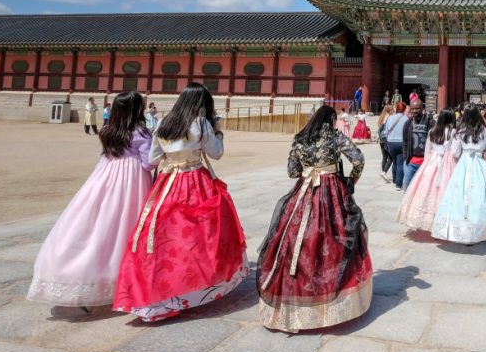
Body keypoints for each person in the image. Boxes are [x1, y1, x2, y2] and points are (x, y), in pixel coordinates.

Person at [112, 83, 247, 322]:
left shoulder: (164, 123)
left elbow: (153, 159)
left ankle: (158, 291)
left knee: (164, 236)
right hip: (195, 180)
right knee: (199, 235)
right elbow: (216, 153)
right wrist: (218, 131)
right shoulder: (201, 123)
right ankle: (196, 285)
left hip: (168, 183)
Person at [28, 92, 156, 313]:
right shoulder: (141, 131)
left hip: (104, 176)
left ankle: (77, 276)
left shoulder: (108, 130)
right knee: (124, 226)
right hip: (131, 182)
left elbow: (106, 154)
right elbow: (148, 162)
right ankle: (119, 281)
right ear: (137, 110)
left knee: (96, 222)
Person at [256, 105, 371, 332]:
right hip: (332, 190)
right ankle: (333, 299)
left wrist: (308, 169)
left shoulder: (300, 139)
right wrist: (350, 181)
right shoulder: (335, 136)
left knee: (295, 239)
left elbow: (291, 170)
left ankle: (292, 300)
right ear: (330, 120)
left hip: (305, 190)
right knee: (335, 238)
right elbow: (358, 159)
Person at [431, 104, 486, 243]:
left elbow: (455, 152)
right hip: (479, 164)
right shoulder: (484, 131)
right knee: (481, 196)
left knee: (461, 196)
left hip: (464, 164)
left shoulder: (460, 131)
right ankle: (480, 229)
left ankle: (461, 228)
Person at [396, 109, 457, 231]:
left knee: (428, 191)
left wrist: (425, 166)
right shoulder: (453, 132)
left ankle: (429, 220)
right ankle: (445, 222)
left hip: (432, 162)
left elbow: (427, 150)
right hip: (448, 162)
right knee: (447, 191)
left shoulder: (432, 131)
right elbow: (455, 151)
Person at [401, 99, 433, 191]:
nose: (414, 111)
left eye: (417, 108)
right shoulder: (408, 123)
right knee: (407, 185)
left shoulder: (429, 122)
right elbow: (405, 142)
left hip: (425, 161)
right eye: (413, 109)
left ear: (422, 108)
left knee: (423, 188)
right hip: (411, 161)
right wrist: (405, 157)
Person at [382, 102, 408, 189]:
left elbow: (385, 130)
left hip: (391, 142)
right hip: (401, 142)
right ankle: (398, 184)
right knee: (400, 163)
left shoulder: (390, 118)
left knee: (394, 162)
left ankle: (394, 180)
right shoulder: (406, 119)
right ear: (404, 109)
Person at [377, 104, 394, 178]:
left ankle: (383, 172)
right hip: (386, 138)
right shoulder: (388, 117)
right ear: (389, 110)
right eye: (392, 109)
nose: (393, 111)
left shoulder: (382, 116)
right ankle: (384, 172)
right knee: (390, 157)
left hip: (381, 138)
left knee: (384, 157)